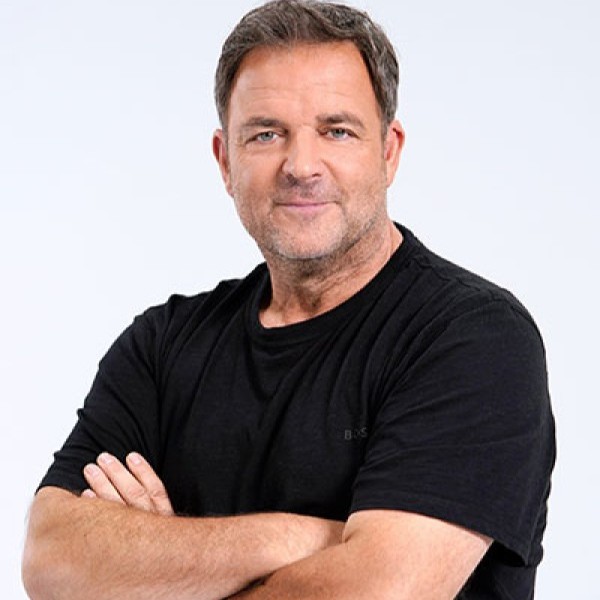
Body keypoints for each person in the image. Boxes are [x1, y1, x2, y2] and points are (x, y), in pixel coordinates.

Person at [21, 1, 555, 598]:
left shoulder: (471, 338)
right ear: (225, 161)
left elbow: (378, 592)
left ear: (389, 151)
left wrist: (156, 569)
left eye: (337, 130)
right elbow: (50, 558)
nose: (301, 166)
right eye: (267, 134)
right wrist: (296, 537)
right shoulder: (162, 346)